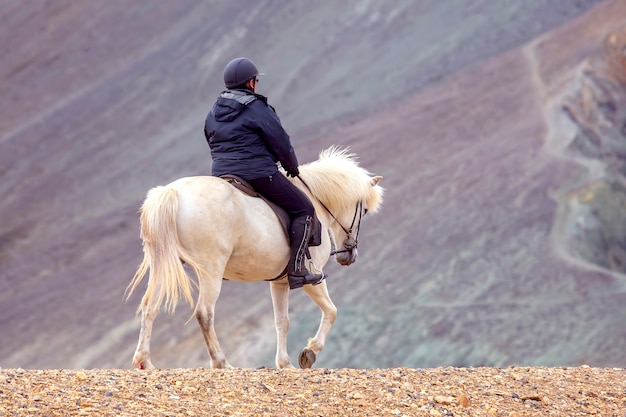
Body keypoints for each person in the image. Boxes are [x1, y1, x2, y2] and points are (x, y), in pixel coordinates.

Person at [203, 57, 324, 290]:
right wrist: (292, 167)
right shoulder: (257, 107)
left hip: (222, 173)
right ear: (250, 83)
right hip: (257, 173)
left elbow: (210, 138)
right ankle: (297, 270)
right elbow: (280, 140)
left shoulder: (214, 110)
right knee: (304, 209)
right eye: (255, 81)